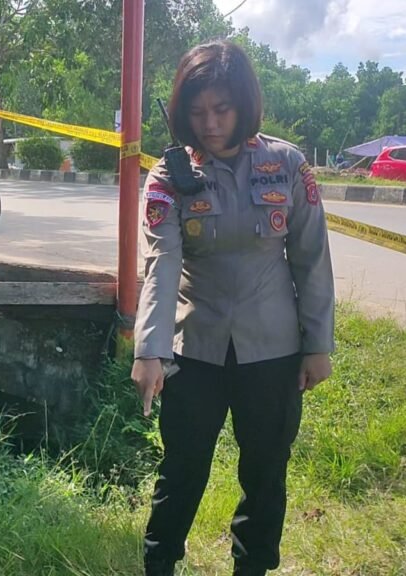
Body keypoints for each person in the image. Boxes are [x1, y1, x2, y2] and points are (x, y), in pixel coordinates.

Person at [133, 40, 335, 576]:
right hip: (194, 348)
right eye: (197, 112)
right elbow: (161, 264)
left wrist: (318, 346)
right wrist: (150, 352)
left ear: (243, 104)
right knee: (182, 469)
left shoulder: (286, 165)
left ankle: (253, 567)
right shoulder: (167, 178)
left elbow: (311, 260)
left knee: (266, 471)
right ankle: (159, 565)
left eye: (221, 110)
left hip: (272, 350)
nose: (210, 123)